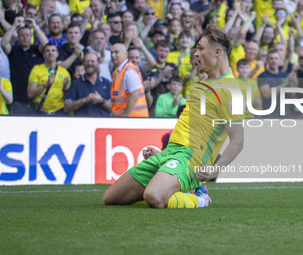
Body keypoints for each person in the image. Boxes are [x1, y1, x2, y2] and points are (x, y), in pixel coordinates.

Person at [103, 26, 244, 209]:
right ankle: (170, 182)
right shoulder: (202, 84)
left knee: (154, 197)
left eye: (201, 48)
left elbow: (238, 141)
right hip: (170, 153)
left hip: (192, 157)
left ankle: (200, 197)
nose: (195, 53)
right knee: (111, 198)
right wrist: (164, 155)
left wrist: (213, 170)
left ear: (217, 52)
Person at [1, 16, 48, 114]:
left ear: (31, 37)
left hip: (37, 98)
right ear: (17, 37)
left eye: (27, 35)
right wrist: (14, 25)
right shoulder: (13, 51)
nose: (25, 37)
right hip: (18, 98)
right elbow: (3, 44)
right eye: (22, 35)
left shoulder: (37, 50)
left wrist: (35, 26)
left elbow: (46, 45)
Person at [27, 43, 71, 115]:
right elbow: (30, 94)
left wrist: (65, 88)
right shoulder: (36, 69)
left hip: (59, 111)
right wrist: (46, 85)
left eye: (53, 50)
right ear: (43, 54)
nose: (50, 52)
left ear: (57, 54)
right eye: (48, 51)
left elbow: (68, 98)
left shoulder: (64, 73)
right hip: (40, 111)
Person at [64, 52, 112, 116]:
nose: (89, 63)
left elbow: (114, 107)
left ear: (98, 63)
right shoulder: (76, 83)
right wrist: (84, 100)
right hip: (83, 124)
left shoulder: (106, 83)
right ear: (83, 63)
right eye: (87, 61)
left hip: (102, 123)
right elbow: (66, 108)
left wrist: (101, 100)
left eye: (92, 61)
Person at [110, 43, 149, 117]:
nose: (113, 55)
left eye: (116, 52)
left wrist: (125, 117)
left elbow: (134, 95)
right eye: (111, 52)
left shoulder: (129, 71)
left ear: (125, 54)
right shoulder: (116, 72)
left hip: (133, 119)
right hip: (125, 118)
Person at [258, 50, 298, 118]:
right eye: (271, 58)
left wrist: (293, 82)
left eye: (276, 58)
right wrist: (285, 83)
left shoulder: (285, 75)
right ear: (267, 60)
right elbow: (266, 94)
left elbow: (291, 95)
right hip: (269, 116)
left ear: (280, 60)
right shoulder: (262, 76)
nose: (274, 61)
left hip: (285, 114)